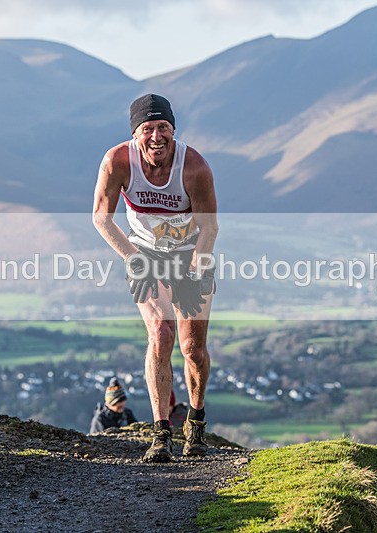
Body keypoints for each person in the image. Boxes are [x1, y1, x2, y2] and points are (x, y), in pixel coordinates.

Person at [93, 94, 218, 462]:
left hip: (191, 253)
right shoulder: (118, 161)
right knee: (161, 334)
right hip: (143, 254)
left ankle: (195, 422)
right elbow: (101, 218)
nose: (156, 136)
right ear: (135, 134)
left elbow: (210, 228)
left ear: (173, 130)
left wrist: (196, 270)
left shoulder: (194, 166)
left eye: (163, 127)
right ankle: (161, 434)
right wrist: (134, 260)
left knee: (192, 349)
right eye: (147, 129)